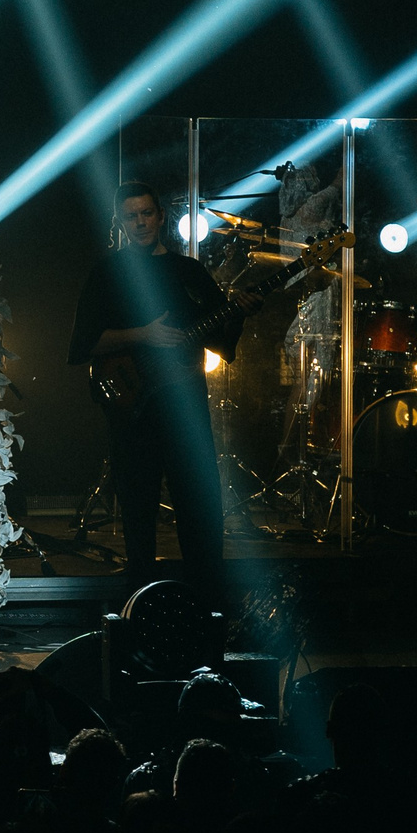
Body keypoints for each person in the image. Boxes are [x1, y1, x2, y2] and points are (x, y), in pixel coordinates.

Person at [69, 182, 256, 593]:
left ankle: (206, 598)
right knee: (138, 505)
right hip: (134, 409)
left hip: (186, 405)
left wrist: (239, 313)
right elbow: (84, 344)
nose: (140, 222)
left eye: (147, 214)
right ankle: (140, 600)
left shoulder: (189, 271)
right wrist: (143, 335)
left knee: (200, 504)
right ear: (120, 222)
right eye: (132, 216)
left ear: (161, 217)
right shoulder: (108, 273)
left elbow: (220, 341)